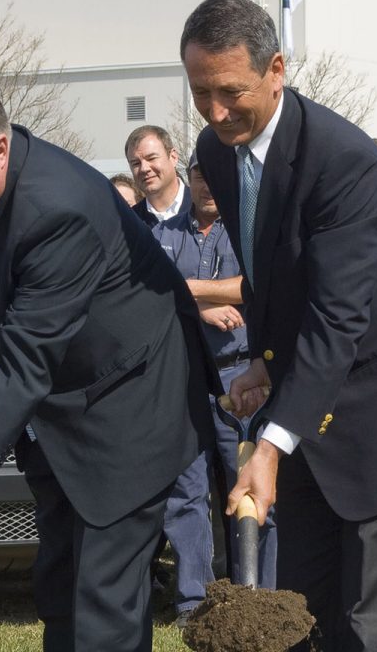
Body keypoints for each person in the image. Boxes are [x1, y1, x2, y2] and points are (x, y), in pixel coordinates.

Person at [0, 75, 213, 652]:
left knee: (102, 606)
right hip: (59, 411)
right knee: (60, 589)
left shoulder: (58, 209)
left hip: (131, 405)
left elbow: (26, 365)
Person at [184, 0, 377, 651]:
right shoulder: (216, 151)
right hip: (309, 414)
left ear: (275, 70)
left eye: (231, 92)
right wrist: (263, 359)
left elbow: (339, 314)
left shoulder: (344, 161)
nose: (217, 113)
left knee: (369, 631)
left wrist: (273, 444)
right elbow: (271, 272)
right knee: (302, 622)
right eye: (201, 93)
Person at [150, 154, 274, 623]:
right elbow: (146, 292)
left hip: (241, 375)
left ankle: (260, 599)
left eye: (215, 177)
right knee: (186, 493)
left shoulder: (250, 233)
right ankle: (193, 603)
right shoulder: (163, 234)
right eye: (200, 177)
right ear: (190, 179)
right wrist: (202, 305)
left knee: (252, 487)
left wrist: (186, 287)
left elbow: (253, 287)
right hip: (180, 378)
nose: (207, 186)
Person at [126, 125, 188, 225]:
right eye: (136, 163)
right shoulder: (130, 223)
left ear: (173, 157)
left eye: (151, 158)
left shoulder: (203, 208)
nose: (144, 168)